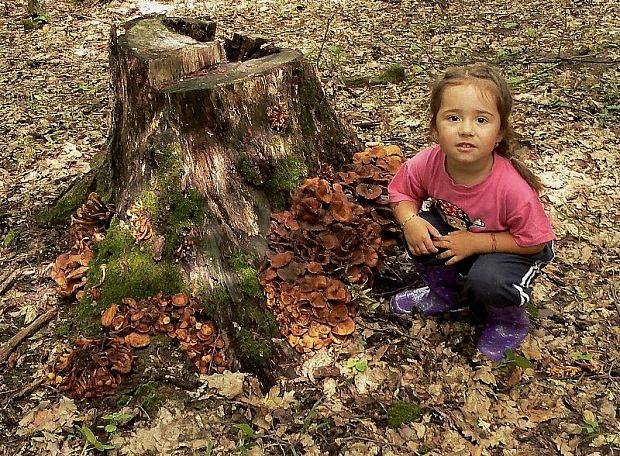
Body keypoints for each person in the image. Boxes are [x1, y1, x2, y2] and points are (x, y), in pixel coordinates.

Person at [387, 64, 555, 361]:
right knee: (421, 230)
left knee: (488, 279)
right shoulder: (429, 162)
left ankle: (508, 319)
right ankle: (447, 294)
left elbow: (535, 240)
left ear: (500, 131)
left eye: (481, 119)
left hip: (514, 247)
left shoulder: (511, 187)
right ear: (434, 126)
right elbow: (402, 192)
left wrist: (475, 243)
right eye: (453, 117)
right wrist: (410, 220)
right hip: (461, 233)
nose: (466, 129)